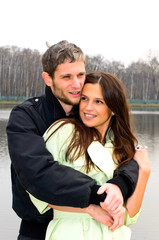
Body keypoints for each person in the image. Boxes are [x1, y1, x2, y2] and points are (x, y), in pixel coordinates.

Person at [6, 41, 139, 240]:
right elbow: (38, 173)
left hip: (94, 229)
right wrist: (96, 198)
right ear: (48, 78)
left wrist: (121, 183)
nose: (77, 85)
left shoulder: (89, 113)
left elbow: (127, 152)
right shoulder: (26, 116)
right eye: (66, 77)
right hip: (37, 231)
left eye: (80, 75)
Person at [29, 71, 150, 240]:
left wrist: (144, 172)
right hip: (70, 233)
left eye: (98, 101)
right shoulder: (63, 133)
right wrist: (90, 209)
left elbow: (129, 215)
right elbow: (41, 192)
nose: (88, 107)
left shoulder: (123, 146)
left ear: (114, 108)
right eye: (84, 98)